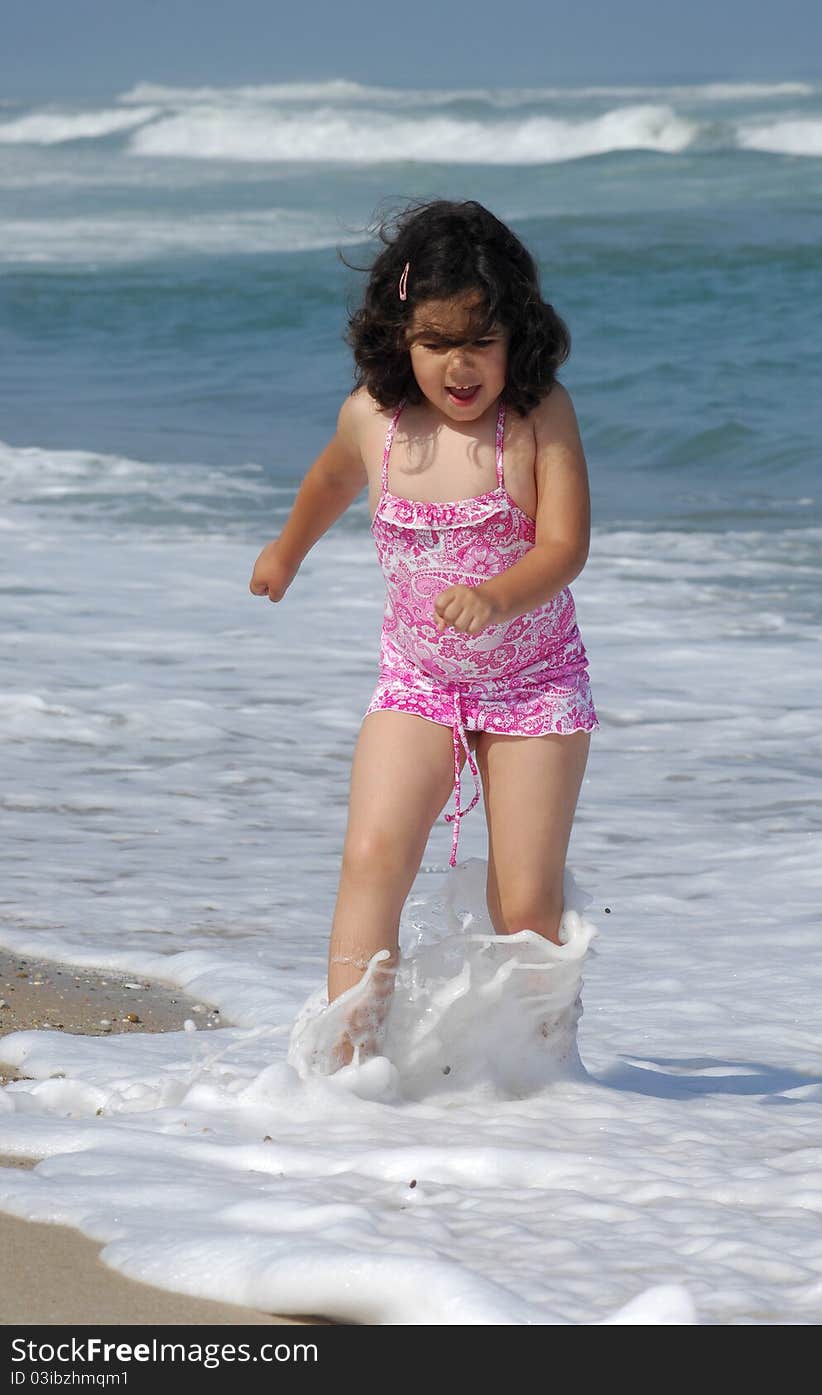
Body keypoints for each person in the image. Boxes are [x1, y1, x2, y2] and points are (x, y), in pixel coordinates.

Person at [250, 199, 598, 1064]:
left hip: (534, 683)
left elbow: (566, 544)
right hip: (418, 678)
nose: (460, 365)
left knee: (524, 900)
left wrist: (499, 593)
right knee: (372, 851)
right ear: (398, 334)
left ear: (517, 335)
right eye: (437, 342)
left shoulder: (537, 417)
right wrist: (286, 551)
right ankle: (347, 1067)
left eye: (480, 341)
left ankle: (537, 1074)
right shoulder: (376, 416)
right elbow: (331, 480)